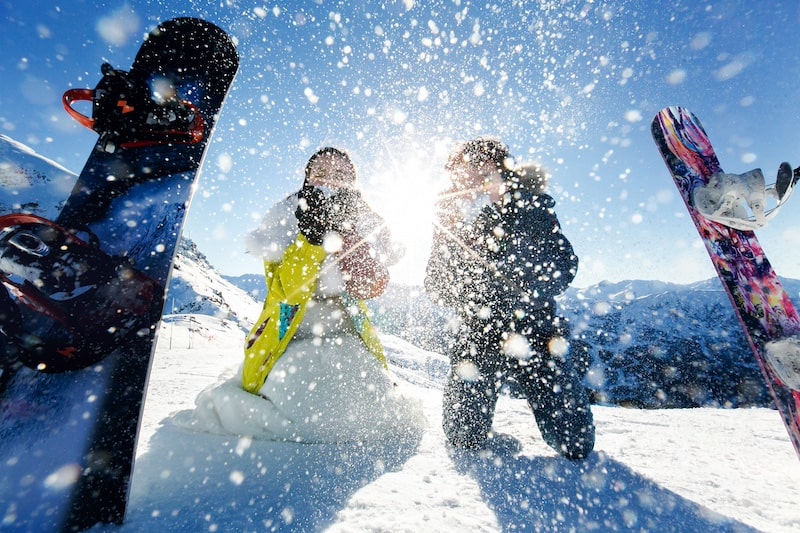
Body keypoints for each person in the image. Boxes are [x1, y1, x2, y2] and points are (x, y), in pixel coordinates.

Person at [177, 147, 422, 443]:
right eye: (320, 172)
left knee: (375, 413)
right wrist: (312, 240)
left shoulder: (366, 218)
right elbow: (287, 290)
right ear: (307, 178)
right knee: (305, 412)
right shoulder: (285, 215)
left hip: (346, 334)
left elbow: (371, 286)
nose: (330, 180)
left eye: (341, 174)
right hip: (292, 333)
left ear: (353, 181)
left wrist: (351, 239)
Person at [425, 137, 595, 460]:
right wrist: (451, 241)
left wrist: (513, 260)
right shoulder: (451, 219)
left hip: (536, 335)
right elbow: (435, 287)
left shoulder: (531, 205)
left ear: (502, 171)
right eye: (466, 175)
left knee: (576, 443)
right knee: (463, 436)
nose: (475, 180)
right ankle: (477, 422)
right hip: (478, 339)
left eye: (484, 170)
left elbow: (563, 265)